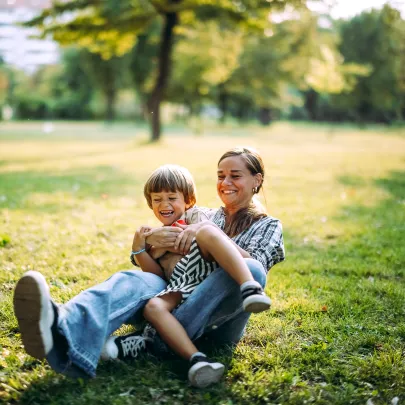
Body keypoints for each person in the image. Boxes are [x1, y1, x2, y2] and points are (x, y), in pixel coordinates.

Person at [13, 147, 285, 382]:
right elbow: (161, 249)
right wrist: (142, 243)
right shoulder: (202, 214)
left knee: (251, 270)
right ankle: (61, 328)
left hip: (216, 317)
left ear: (256, 180)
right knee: (133, 280)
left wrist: (206, 234)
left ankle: (152, 342)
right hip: (176, 296)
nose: (225, 182)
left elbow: (256, 265)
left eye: (235, 176)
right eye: (220, 176)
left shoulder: (267, 225)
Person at [115, 164, 271, 387]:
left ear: (188, 200)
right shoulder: (154, 236)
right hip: (180, 283)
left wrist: (189, 231)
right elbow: (158, 277)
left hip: (205, 275)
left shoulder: (195, 215)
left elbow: (212, 236)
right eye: (157, 199)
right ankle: (196, 359)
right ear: (150, 203)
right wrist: (140, 249)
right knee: (153, 307)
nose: (164, 205)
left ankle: (249, 287)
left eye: (171, 198)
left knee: (207, 231)